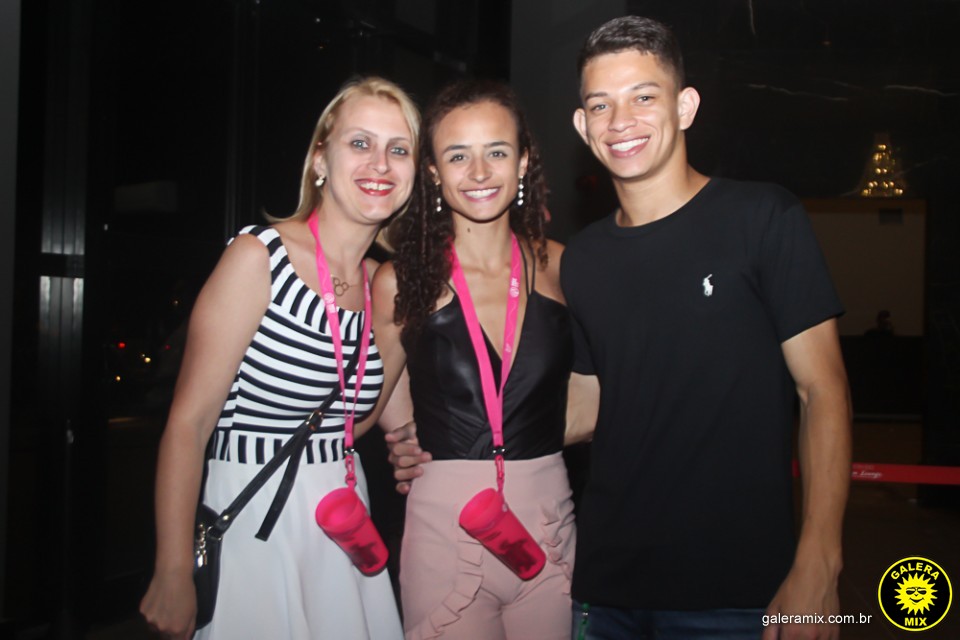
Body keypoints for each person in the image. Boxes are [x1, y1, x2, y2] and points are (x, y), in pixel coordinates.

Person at [560, 16, 852, 640]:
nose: (620, 121)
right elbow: (584, 405)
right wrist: (460, 438)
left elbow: (822, 392)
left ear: (685, 107)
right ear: (583, 126)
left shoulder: (762, 217)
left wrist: (820, 560)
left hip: (737, 595)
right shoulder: (582, 259)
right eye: (601, 105)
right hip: (605, 590)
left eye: (644, 96)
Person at [139, 76, 419, 640]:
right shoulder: (259, 258)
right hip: (255, 517)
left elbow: (373, 420)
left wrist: (411, 446)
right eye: (359, 143)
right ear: (320, 160)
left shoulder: (384, 286)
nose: (380, 164)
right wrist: (172, 569)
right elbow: (188, 425)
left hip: (343, 520)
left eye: (399, 149)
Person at [371, 79, 581, 639]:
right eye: (459, 155)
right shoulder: (400, 279)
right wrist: (404, 435)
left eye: (497, 152)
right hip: (445, 529)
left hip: (549, 525)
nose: (480, 172)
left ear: (524, 161)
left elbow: (601, 389)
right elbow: (372, 396)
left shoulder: (563, 267)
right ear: (433, 171)